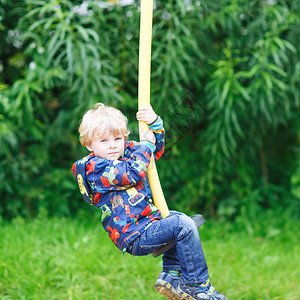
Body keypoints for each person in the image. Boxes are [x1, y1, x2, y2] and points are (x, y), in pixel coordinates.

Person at [72, 103, 226, 300]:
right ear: (89, 144)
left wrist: (154, 123)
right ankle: (199, 287)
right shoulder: (96, 169)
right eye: (104, 140)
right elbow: (131, 174)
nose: (113, 145)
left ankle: (171, 275)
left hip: (147, 224)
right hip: (134, 234)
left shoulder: (126, 153)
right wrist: (145, 146)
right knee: (182, 225)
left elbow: (154, 151)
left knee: (182, 220)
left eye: (118, 138)